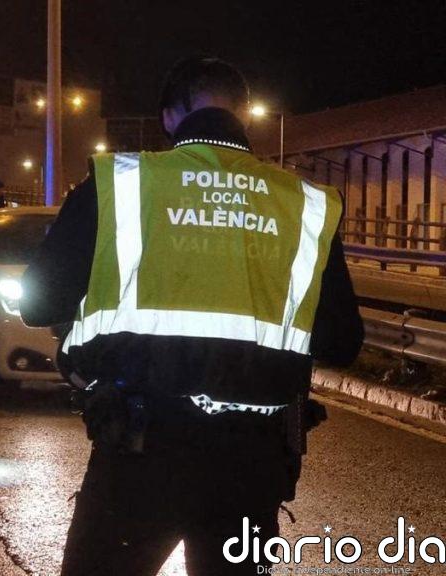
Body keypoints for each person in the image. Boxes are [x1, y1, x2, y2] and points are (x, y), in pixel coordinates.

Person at [20, 57, 364, 576]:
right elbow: (342, 341)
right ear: (244, 114)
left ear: (169, 116)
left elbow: (38, 304)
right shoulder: (305, 203)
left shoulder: (120, 183)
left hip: (139, 454)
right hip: (253, 463)